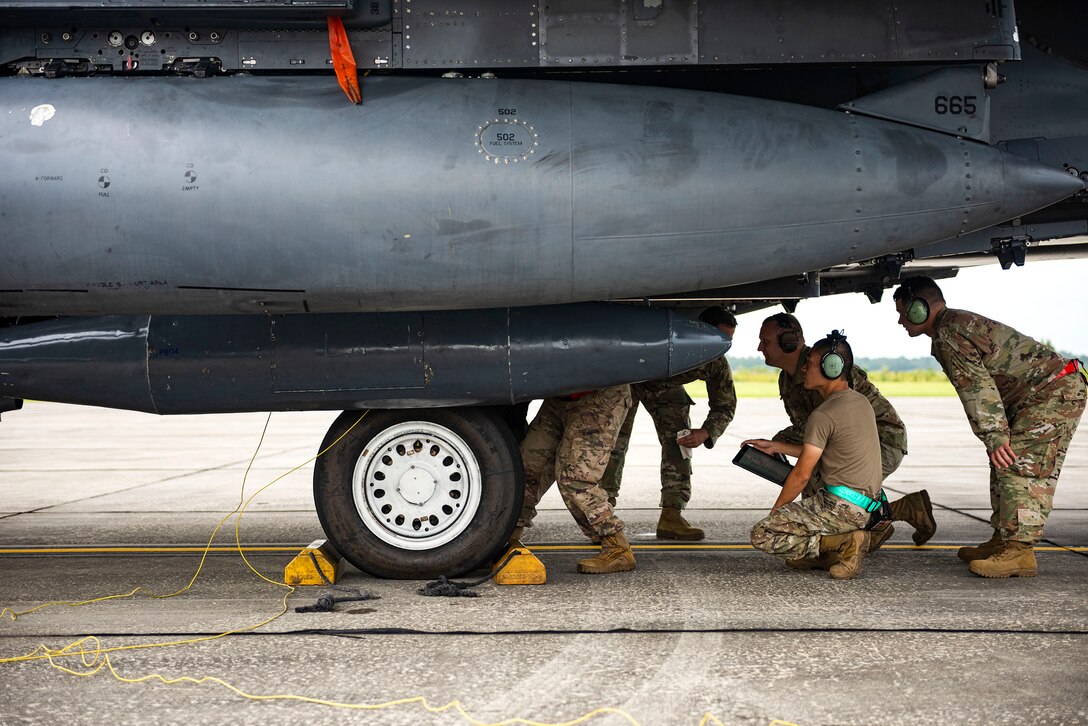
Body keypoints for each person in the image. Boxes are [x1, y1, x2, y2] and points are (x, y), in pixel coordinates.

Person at [893, 276, 1086, 578]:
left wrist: (994, 435)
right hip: (1041, 392)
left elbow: (976, 387)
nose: (900, 320)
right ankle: (1003, 540)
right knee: (1003, 463)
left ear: (920, 309)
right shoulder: (951, 325)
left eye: (903, 312)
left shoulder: (949, 333)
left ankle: (1019, 551)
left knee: (1017, 463)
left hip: (1052, 391)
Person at [756, 312, 936, 552]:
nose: (759, 348)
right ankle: (884, 519)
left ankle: (860, 532)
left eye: (765, 341)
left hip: (881, 441)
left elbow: (844, 424)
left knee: (835, 496)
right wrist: (777, 444)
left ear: (789, 341)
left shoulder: (832, 370)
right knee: (820, 487)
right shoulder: (789, 379)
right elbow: (809, 429)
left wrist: (777, 513)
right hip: (844, 441)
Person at [745, 332, 881, 579]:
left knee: (763, 533)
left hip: (839, 509)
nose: (804, 369)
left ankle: (840, 544)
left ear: (831, 368)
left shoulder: (823, 414)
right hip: (865, 506)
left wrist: (776, 512)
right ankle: (831, 548)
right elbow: (828, 450)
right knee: (793, 528)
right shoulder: (860, 402)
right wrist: (777, 447)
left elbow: (801, 475)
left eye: (809, 364)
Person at [600, 307, 738, 540]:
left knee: (680, 442)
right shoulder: (669, 340)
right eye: (720, 339)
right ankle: (601, 517)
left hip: (666, 388)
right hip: (629, 380)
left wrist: (706, 432)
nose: (722, 346)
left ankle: (672, 516)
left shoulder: (716, 361)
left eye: (728, 341)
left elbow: (725, 404)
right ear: (701, 333)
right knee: (613, 445)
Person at [511, 385, 636, 574]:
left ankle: (617, 547)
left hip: (599, 394)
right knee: (526, 469)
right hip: (561, 394)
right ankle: (508, 538)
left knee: (576, 479)